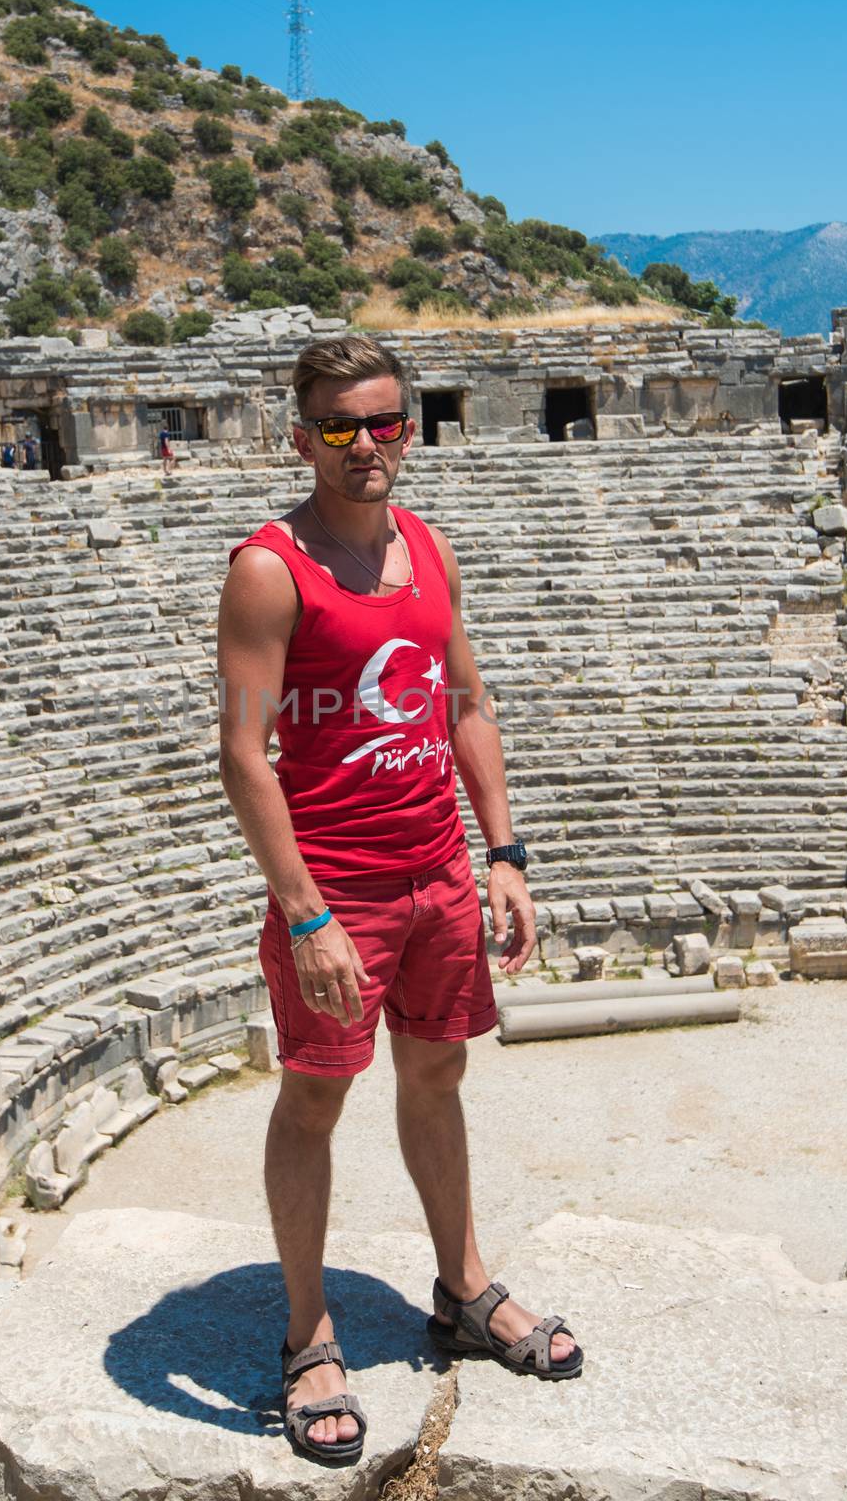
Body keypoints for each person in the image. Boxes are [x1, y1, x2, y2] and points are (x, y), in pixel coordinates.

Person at [217, 335, 582, 1464]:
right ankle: (307, 1335)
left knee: (437, 1072)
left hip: (434, 873)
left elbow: (465, 700)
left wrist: (503, 850)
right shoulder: (270, 568)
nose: (363, 445)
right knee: (314, 1097)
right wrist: (304, 911)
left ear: (408, 428)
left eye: (381, 422)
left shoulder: (425, 547)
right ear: (300, 435)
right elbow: (242, 750)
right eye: (337, 426)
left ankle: (464, 1288)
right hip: (339, 889)